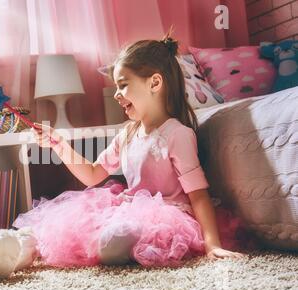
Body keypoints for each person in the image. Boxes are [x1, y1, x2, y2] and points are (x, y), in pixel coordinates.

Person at [13, 33, 248, 268]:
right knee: (71, 228)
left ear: (155, 83)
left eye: (123, 85)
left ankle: (112, 244)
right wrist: (59, 144)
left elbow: (198, 195)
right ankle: (23, 246)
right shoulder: (127, 133)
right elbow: (92, 174)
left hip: (168, 219)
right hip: (128, 211)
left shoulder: (177, 134)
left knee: (114, 240)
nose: (116, 94)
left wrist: (212, 244)